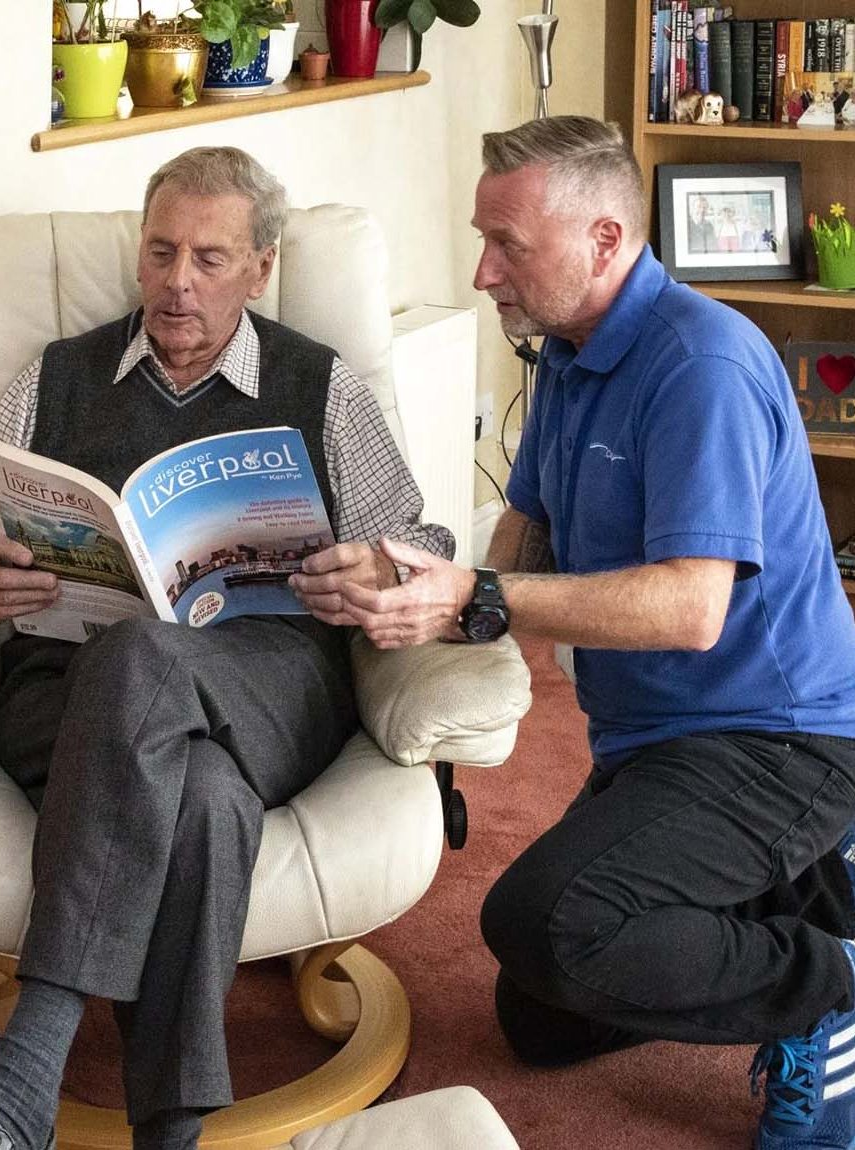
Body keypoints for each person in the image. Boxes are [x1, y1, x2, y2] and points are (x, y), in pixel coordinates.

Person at [0, 146, 454, 1150]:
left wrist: (379, 569)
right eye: (159, 253)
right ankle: (173, 1133)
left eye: (208, 257)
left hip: (270, 685)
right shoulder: (53, 379)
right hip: (67, 694)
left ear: (261, 267)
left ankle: (28, 1059)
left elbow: (427, 547)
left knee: (149, 658)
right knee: (196, 787)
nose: (176, 282)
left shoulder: (318, 385)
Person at [335, 116, 855, 1150]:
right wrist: (406, 582)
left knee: (547, 923)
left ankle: (827, 985)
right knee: (540, 1016)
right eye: (481, 239)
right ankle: (812, 888)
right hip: (653, 739)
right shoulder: (569, 354)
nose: (482, 270)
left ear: (606, 239)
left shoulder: (698, 365)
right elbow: (518, 565)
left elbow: (688, 608)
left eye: (508, 245)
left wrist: (478, 593)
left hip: (777, 738)